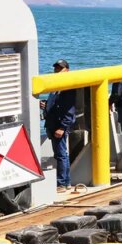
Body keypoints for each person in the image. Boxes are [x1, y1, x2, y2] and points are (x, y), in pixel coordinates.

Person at [43, 59, 76, 192]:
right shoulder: (55, 86)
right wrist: (45, 106)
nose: (56, 71)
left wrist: (62, 127)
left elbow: (70, 109)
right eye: (56, 69)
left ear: (67, 70)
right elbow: (54, 104)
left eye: (59, 69)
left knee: (61, 154)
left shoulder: (67, 88)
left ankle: (62, 183)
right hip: (52, 124)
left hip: (59, 126)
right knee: (60, 154)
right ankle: (66, 182)